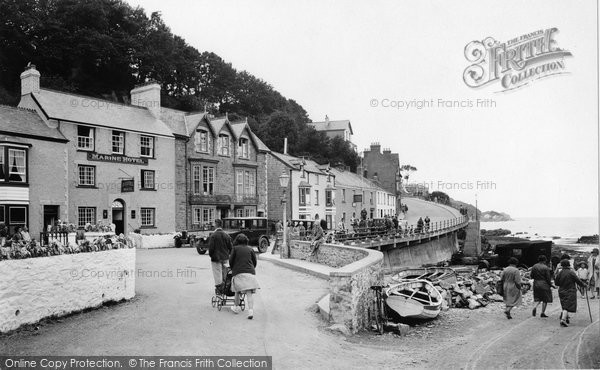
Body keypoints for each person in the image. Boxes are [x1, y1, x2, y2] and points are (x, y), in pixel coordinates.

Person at [229, 234, 260, 319]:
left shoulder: (235, 249)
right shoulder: (250, 249)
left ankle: (236, 307)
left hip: (238, 273)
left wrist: (233, 269)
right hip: (250, 273)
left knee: (237, 291)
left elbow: (231, 261)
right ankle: (250, 311)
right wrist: (251, 268)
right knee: (249, 293)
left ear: (237, 241)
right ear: (246, 240)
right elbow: (254, 262)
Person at [555, 259, 586, 327]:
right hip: (570, 291)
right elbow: (578, 281)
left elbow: (556, 283)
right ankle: (563, 319)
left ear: (562, 265)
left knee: (564, 304)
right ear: (569, 265)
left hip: (561, 291)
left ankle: (566, 317)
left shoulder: (560, 273)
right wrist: (584, 285)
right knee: (568, 306)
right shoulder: (571, 272)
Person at [208, 219, 233, 294]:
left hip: (216, 258)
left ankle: (219, 290)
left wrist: (211, 255)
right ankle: (225, 288)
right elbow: (231, 248)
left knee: (217, 274)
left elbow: (211, 249)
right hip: (225, 257)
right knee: (225, 273)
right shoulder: (226, 235)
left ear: (216, 225)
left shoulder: (213, 235)